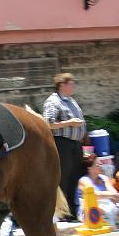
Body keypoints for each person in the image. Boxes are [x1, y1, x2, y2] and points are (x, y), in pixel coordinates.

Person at [42, 72, 87, 220]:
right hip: (62, 144)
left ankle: (73, 211)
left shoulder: (71, 101)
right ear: (62, 85)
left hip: (75, 144)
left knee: (75, 176)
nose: (73, 86)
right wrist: (70, 123)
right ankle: (62, 212)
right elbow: (48, 123)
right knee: (63, 178)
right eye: (70, 83)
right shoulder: (53, 101)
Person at [76, 153, 119, 228]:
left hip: (106, 205)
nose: (100, 166)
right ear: (89, 168)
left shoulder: (104, 178)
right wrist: (110, 195)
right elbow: (93, 195)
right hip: (88, 209)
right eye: (97, 165)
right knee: (103, 208)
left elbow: (114, 193)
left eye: (100, 164)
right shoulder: (83, 180)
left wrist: (111, 195)